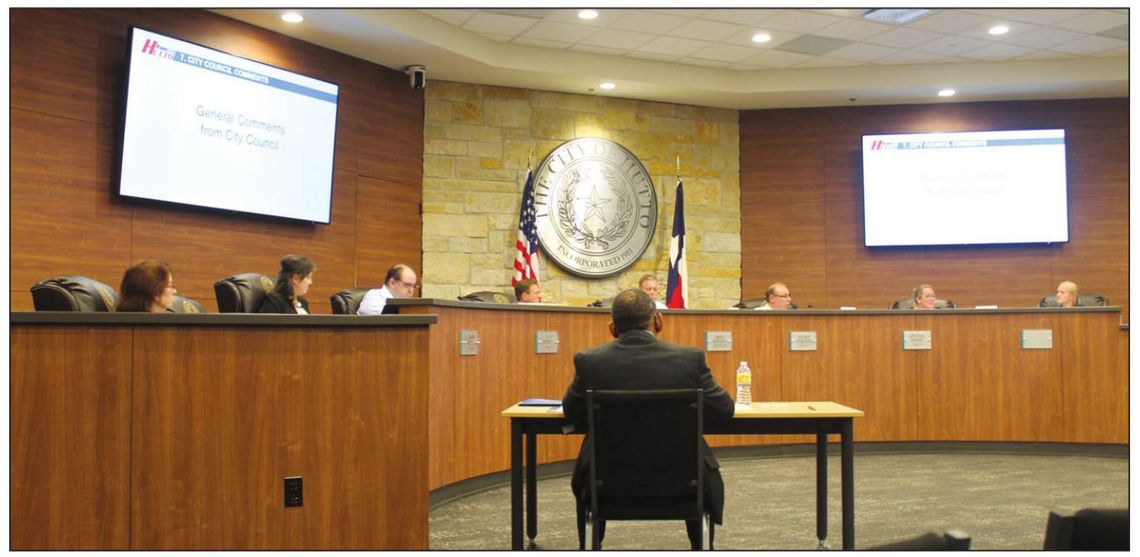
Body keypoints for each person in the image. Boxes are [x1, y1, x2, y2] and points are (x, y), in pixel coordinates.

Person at [561, 288, 734, 550]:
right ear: (658, 321)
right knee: (698, 458)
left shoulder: (590, 361)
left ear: (612, 328)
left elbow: (571, 414)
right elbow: (724, 410)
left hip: (606, 484)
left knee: (590, 461)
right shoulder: (690, 360)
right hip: (685, 482)